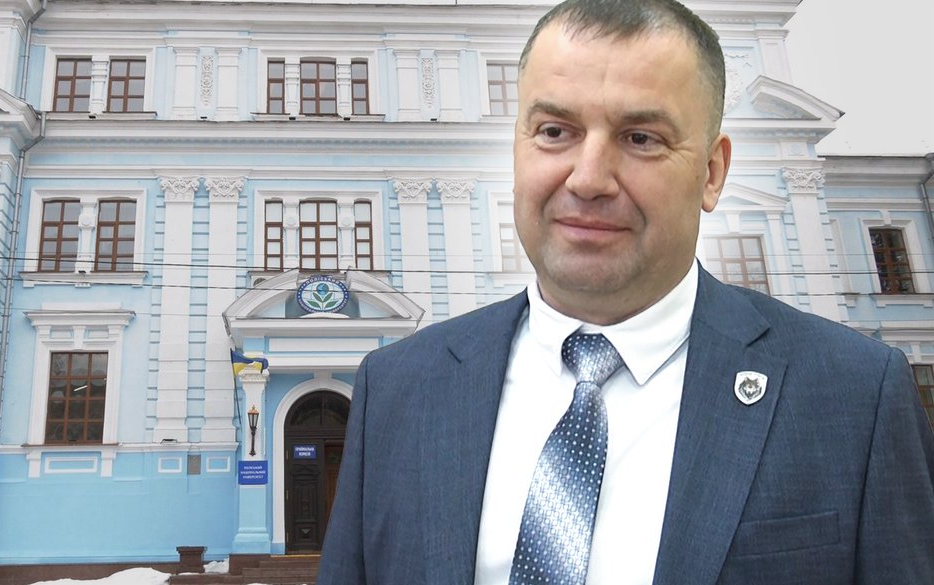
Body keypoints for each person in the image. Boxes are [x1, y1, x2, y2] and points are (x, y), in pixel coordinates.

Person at [317, 0, 934, 583]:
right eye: (554, 131)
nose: (588, 179)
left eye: (641, 138)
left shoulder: (855, 396)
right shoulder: (398, 390)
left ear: (712, 173)